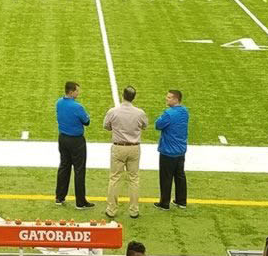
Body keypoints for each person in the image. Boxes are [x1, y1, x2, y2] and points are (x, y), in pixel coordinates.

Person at [102, 85, 149, 220]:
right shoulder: (139, 112)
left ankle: (111, 209)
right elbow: (144, 126)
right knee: (134, 179)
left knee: (115, 178)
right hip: (134, 147)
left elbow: (106, 126)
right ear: (134, 97)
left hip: (119, 147)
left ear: (123, 95)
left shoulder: (113, 111)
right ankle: (134, 210)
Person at [53, 81, 93, 208]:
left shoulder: (59, 103)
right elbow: (86, 121)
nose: (78, 92)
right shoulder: (77, 107)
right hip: (76, 141)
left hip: (63, 139)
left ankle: (59, 197)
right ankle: (80, 201)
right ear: (71, 92)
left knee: (64, 166)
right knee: (79, 170)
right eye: (77, 90)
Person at [154, 89, 189, 211]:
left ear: (176, 99)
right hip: (180, 150)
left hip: (168, 151)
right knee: (180, 176)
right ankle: (181, 201)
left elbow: (158, 125)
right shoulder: (185, 111)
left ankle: (164, 203)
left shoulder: (168, 114)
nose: (166, 99)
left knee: (166, 178)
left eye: (169, 97)